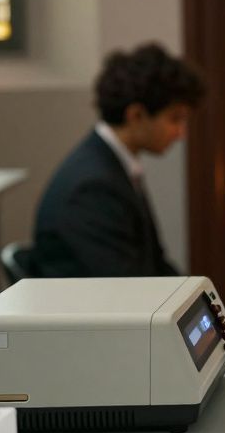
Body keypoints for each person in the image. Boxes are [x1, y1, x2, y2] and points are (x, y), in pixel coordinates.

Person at [33, 43, 204, 278]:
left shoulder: (112, 164)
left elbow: (155, 264)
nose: (181, 133)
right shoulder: (92, 188)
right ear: (136, 115)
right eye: (175, 119)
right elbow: (125, 282)